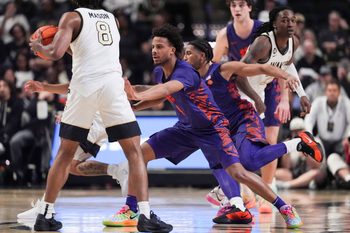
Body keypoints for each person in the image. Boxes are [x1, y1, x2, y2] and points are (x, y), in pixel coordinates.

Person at [120, 23, 319, 229]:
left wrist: (283, 75)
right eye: (153, 47)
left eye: (159, 47)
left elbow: (167, 89)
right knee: (139, 154)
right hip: (186, 129)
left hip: (214, 129)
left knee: (241, 171)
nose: (154, 51)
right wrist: (135, 102)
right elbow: (162, 94)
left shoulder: (190, 72)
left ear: (173, 50)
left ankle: (284, 207)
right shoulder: (161, 73)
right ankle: (132, 208)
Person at [28, 0, 171, 232]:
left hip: (84, 87)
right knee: (134, 152)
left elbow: (54, 53)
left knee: (65, 154)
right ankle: (144, 215)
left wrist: (38, 47)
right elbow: (93, 50)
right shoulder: (112, 19)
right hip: (112, 87)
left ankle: (45, 213)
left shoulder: (71, 18)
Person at [182, 39, 322, 225]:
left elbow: (262, 69)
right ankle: (237, 204)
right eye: (183, 54)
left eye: (188, 53)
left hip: (243, 119)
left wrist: (286, 76)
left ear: (202, 55)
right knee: (222, 164)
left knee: (249, 161)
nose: (184, 58)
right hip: (220, 129)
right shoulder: (187, 81)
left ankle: (298, 144)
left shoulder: (222, 69)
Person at [212, 5, 311, 213]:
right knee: (244, 148)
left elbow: (287, 65)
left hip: (268, 86)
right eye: (285, 21)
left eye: (293, 20)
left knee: (266, 141)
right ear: (275, 24)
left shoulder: (293, 41)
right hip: (245, 91)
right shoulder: (263, 43)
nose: (291, 24)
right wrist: (256, 98)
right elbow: (239, 74)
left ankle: (262, 192)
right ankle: (239, 191)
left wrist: (299, 94)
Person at [305, 79, 350, 189]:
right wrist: (310, 138)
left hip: (340, 141)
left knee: (334, 159)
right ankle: (318, 180)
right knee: (316, 147)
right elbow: (309, 120)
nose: (332, 93)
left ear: (339, 92)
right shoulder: (318, 102)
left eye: (335, 90)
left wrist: (347, 137)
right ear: (326, 92)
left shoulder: (346, 102)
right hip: (323, 140)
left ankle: (343, 178)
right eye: (329, 90)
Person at [275, 117, 322, 189]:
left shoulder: (315, 141)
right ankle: (270, 182)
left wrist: (306, 150)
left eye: (300, 130)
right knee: (279, 172)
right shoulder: (289, 143)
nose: (297, 133)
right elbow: (286, 168)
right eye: (295, 131)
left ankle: (288, 185)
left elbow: (316, 166)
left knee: (315, 173)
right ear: (291, 132)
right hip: (295, 174)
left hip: (310, 173)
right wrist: (287, 150)